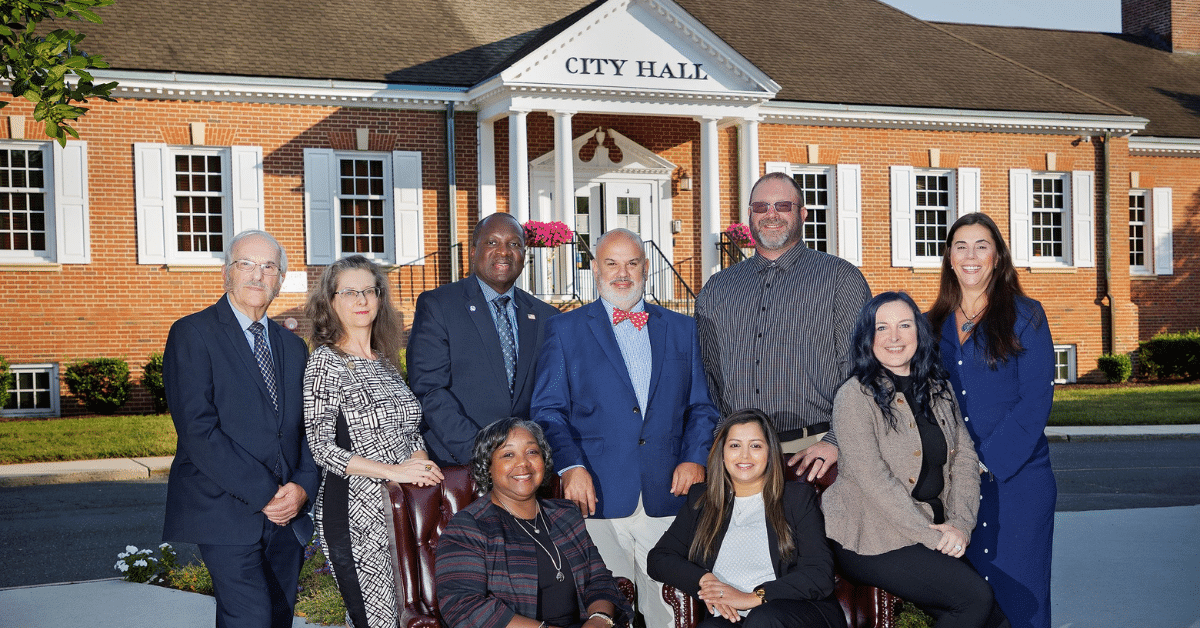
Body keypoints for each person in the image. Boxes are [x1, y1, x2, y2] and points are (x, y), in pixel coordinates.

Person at [532, 228, 721, 628]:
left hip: (668, 492)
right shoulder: (564, 330)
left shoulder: (683, 329)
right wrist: (570, 467)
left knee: (671, 610)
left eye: (632, 263)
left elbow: (702, 407)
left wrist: (693, 457)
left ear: (646, 268)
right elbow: (548, 411)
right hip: (597, 494)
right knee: (607, 606)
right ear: (596, 268)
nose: (622, 273)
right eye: (612, 264)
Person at [162, 229, 320, 628]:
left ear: (280, 280)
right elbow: (199, 431)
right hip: (224, 508)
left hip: (286, 512)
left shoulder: (291, 347)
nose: (257, 275)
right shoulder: (193, 333)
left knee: (279, 616)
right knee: (250, 616)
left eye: (269, 267)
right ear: (226, 274)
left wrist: (301, 487)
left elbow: (305, 429)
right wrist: (266, 493)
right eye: (245, 264)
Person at [823, 291, 1009, 628]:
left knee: (995, 623)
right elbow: (875, 482)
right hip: (871, 537)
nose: (894, 337)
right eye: (882, 328)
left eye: (904, 325)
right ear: (868, 338)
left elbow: (965, 458)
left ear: (918, 333)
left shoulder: (937, 387)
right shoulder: (854, 396)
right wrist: (935, 537)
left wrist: (961, 526)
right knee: (974, 599)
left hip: (931, 528)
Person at [695, 172, 871, 483]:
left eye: (783, 205)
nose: (771, 215)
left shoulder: (840, 280)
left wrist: (836, 441)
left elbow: (862, 372)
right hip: (739, 462)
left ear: (802, 214)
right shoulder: (717, 288)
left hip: (815, 456)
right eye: (761, 207)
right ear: (750, 215)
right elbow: (707, 375)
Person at [927, 213, 1056, 628]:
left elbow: (1036, 400)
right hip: (953, 488)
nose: (970, 255)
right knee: (970, 600)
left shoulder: (1027, 315)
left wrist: (985, 460)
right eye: (960, 246)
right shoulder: (931, 326)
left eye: (981, 246)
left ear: (997, 256)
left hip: (1017, 483)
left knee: (1021, 598)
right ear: (948, 257)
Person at [303, 255, 444, 628]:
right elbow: (321, 447)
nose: (362, 299)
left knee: (408, 616)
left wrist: (421, 464)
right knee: (376, 621)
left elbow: (409, 428)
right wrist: (394, 471)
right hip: (355, 513)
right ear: (331, 301)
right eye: (349, 292)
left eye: (369, 290)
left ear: (380, 298)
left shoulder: (385, 361)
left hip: (401, 506)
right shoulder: (326, 363)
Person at [647, 409, 845, 628]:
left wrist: (752, 598)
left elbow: (819, 572)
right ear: (721, 453)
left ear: (770, 453)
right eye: (734, 445)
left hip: (797, 611)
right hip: (733, 618)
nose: (744, 455)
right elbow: (659, 558)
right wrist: (706, 581)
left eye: (755, 445)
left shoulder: (796, 499)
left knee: (763, 618)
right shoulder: (702, 500)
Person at [435, 418, 631, 628]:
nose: (523, 463)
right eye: (508, 454)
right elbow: (463, 606)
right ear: (488, 466)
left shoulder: (566, 514)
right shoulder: (468, 527)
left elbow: (599, 577)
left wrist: (599, 620)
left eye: (532, 452)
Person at [408, 213, 560, 466]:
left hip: (526, 467)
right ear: (472, 251)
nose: (504, 252)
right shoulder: (438, 305)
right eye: (492, 242)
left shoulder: (547, 316)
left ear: (524, 253)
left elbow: (552, 396)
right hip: (459, 463)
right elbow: (430, 391)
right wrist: (483, 453)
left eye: (514, 244)